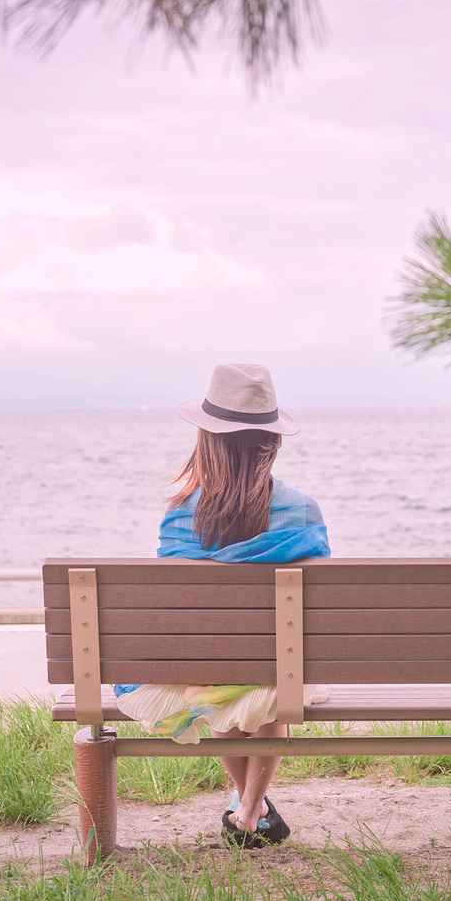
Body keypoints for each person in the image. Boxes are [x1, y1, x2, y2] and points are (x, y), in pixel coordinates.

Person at [112, 363, 330, 847]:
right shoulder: (304, 511)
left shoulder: (179, 516)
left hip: (203, 667)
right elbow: (315, 613)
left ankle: (248, 806)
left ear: (207, 440)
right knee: (274, 679)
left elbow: (174, 613)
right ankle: (251, 808)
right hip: (281, 666)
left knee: (214, 687)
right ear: (272, 442)